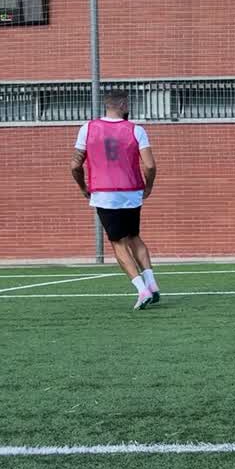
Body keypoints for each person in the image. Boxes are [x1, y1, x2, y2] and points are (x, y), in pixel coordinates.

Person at [70, 90, 160, 310]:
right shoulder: (136, 130)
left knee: (118, 243)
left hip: (104, 193)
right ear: (121, 104)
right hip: (131, 192)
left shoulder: (87, 128)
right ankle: (152, 283)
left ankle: (142, 289)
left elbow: (75, 165)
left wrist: (83, 187)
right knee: (134, 237)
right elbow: (149, 165)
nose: (129, 106)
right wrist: (148, 187)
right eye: (128, 103)